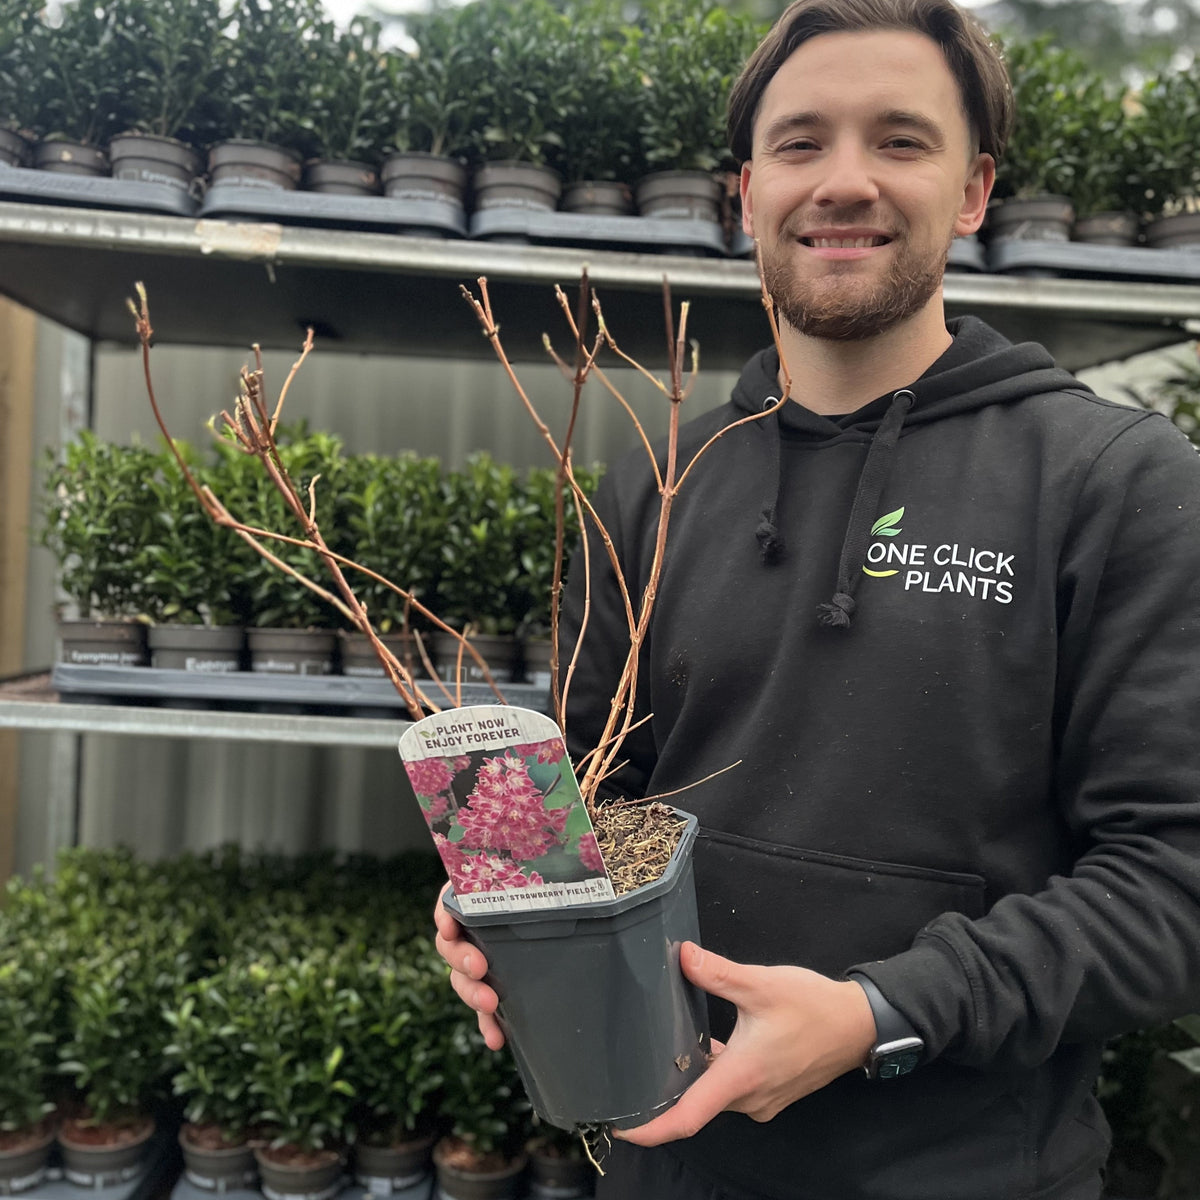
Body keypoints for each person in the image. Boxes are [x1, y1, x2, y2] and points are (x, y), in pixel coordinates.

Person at [434, 1, 1200, 1195]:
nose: (844, 181)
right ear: (746, 194)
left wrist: (881, 1011)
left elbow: (1173, 883)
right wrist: (513, 914)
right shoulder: (658, 477)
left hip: (973, 1171)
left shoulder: (1115, 484)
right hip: (666, 1164)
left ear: (975, 190)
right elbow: (589, 795)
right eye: (801, 144)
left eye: (900, 140)